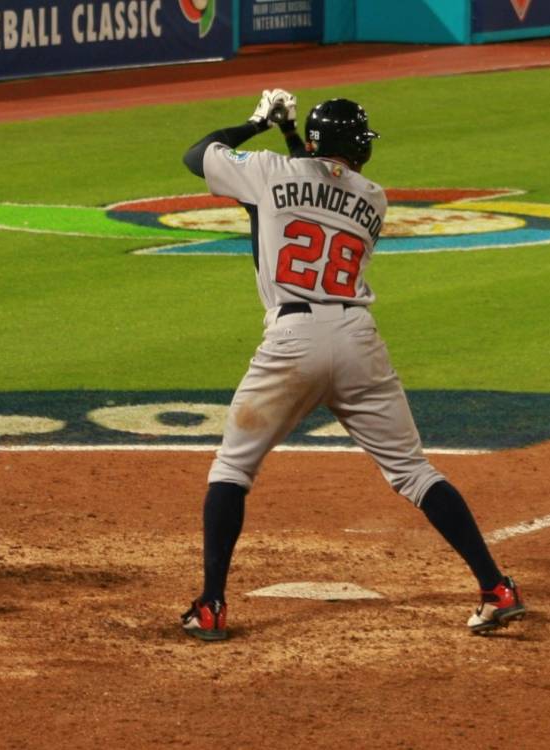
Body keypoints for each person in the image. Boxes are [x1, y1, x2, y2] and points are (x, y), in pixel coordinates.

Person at [175, 91, 528, 641]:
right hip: (357, 339)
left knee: (232, 471)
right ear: (359, 149)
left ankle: (212, 605)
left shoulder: (268, 173)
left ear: (313, 144)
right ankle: (496, 587)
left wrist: (262, 123)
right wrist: (297, 138)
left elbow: (200, 155)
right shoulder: (374, 198)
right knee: (413, 471)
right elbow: (315, 190)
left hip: (291, 343)